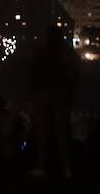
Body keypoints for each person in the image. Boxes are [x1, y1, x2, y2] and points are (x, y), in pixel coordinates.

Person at [29, 24, 79, 178]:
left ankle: (41, 165)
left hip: (45, 94)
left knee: (43, 131)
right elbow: (74, 74)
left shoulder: (42, 53)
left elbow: (34, 74)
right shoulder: (67, 54)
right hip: (61, 94)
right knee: (61, 131)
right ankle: (66, 167)